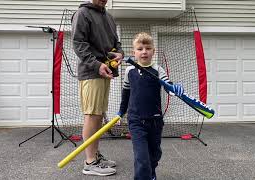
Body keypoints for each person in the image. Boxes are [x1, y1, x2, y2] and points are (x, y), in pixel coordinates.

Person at [118, 32, 184, 180]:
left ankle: (151, 174)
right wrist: (121, 112)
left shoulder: (158, 69)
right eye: (140, 48)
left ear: (153, 51)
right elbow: (126, 93)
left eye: (148, 48)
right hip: (135, 120)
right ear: (134, 52)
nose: (144, 51)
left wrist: (174, 89)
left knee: (154, 154)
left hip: (155, 121)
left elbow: (168, 86)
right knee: (141, 157)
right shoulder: (129, 71)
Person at [71, 0, 124, 176]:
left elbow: (116, 43)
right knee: (92, 115)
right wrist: (96, 65)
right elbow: (79, 44)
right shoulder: (82, 14)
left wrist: (120, 53)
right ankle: (90, 162)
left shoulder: (108, 17)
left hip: (106, 71)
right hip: (92, 72)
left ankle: (94, 155)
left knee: (99, 115)